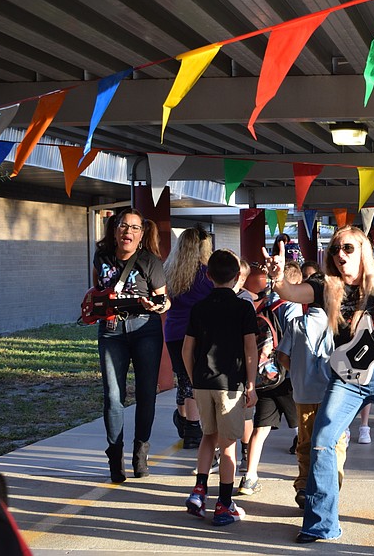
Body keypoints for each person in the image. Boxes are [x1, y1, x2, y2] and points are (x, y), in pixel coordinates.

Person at [265, 226, 374, 543]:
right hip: (347, 375)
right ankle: (320, 524)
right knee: (321, 441)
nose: (340, 255)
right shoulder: (325, 284)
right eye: (335, 250)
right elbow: (290, 294)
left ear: (362, 249)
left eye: (347, 248)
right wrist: (277, 279)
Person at [93, 208, 170, 482]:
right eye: (124, 226)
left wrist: (156, 305)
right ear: (115, 230)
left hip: (144, 328)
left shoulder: (150, 261)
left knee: (145, 393)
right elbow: (98, 289)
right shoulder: (101, 255)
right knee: (113, 396)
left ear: (142, 234)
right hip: (111, 330)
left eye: (135, 228)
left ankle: (141, 451)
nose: (128, 231)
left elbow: (165, 301)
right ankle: (115, 457)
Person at [183, 249, 258, 526]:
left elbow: (186, 348)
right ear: (238, 276)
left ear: (208, 275)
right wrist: (251, 384)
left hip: (202, 382)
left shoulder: (199, 308)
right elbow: (250, 348)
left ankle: (199, 491)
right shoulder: (243, 308)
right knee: (228, 448)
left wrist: (194, 378)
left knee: (208, 436)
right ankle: (224, 504)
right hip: (231, 385)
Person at [277, 271, 349, 510]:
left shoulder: (296, 323)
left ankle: (303, 486)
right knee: (335, 442)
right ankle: (331, 486)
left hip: (303, 393)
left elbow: (283, 356)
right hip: (333, 394)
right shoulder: (339, 323)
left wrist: (298, 371)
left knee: (306, 441)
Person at [237, 261, 302, 496]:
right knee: (303, 429)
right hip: (286, 377)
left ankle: (249, 476)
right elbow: (295, 340)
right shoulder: (292, 306)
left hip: (265, 376)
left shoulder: (263, 304)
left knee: (260, 429)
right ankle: (306, 477)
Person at [164, 226, 213, 450]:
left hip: (173, 332)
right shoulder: (206, 275)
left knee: (182, 378)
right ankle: (193, 428)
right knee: (193, 380)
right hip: (197, 333)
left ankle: (183, 420)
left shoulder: (168, 270)